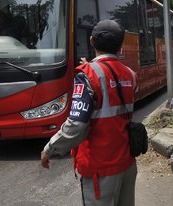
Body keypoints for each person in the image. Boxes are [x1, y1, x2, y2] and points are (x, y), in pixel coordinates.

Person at [41, 19, 139, 206]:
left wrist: (50, 149)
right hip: (127, 163)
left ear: (92, 41)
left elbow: (76, 125)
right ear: (121, 45)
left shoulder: (87, 75)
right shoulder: (131, 75)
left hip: (99, 168)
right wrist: (91, 67)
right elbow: (111, 83)